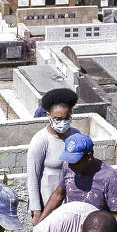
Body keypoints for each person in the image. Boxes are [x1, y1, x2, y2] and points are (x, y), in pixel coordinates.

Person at [36, 133, 117, 225]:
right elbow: (58, 195)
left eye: (74, 161)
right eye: (69, 160)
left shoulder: (109, 177)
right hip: (72, 227)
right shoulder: (67, 166)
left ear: (89, 156)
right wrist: (39, 224)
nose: (70, 165)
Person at [26, 88, 80, 224]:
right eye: (58, 119)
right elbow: (32, 177)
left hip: (72, 200)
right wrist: (37, 211)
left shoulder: (76, 135)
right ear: (48, 115)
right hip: (48, 203)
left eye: (67, 118)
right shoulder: (41, 140)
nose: (63, 122)